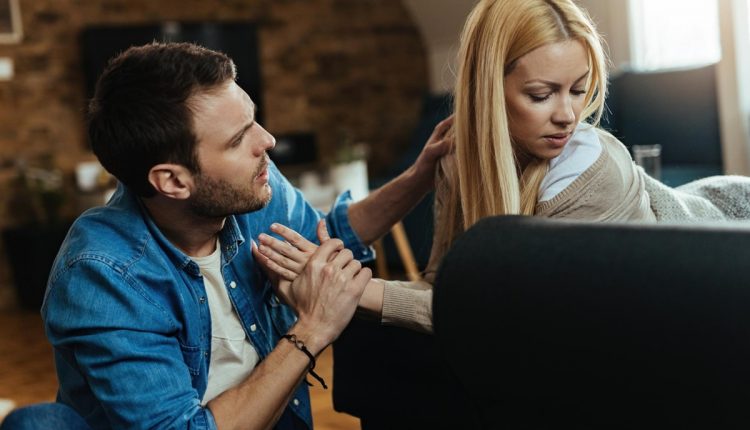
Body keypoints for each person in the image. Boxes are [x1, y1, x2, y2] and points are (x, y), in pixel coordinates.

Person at [256, 0, 750, 334]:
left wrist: (353, 289)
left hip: (726, 235)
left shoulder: (592, 168)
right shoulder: (455, 161)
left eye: (579, 89)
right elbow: (446, 288)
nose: (568, 114)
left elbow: (523, 314)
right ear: (490, 91)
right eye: (541, 94)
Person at [40, 42, 451, 429]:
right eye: (239, 140)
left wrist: (419, 177)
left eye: (253, 119)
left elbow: (328, 235)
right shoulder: (102, 276)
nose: (267, 142)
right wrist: (312, 329)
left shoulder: (247, 189)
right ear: (172, 181)